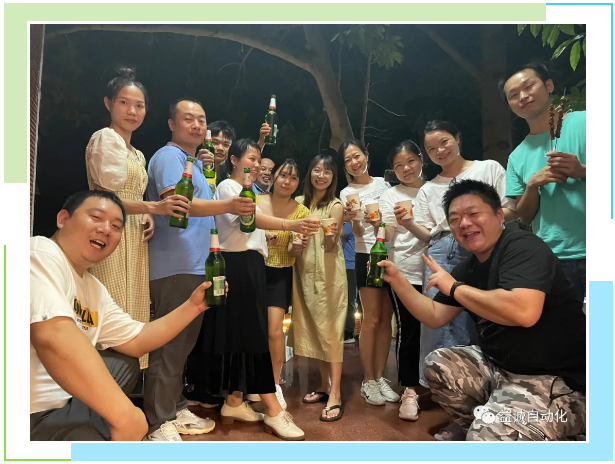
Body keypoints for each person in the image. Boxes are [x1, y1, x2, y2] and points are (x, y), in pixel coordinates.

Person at [379, 179, 586, 441]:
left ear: (499, 215)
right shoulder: (470, 267)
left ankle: (565, 435)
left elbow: (523, 311)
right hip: (501, 368)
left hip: (556, 380)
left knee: (486, 441)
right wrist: (397, 280)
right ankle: (480, 423)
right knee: (438, 365)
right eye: (455, 219)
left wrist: (455, 288)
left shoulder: (523, 247)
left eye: (473, 214)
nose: (464, 223)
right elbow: (434, 315)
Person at [30, 191, 221, 441]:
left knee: (125, 363)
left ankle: (92, 428)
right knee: (117, 423)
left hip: (67, 401)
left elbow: (137, 340)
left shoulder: (93, 288)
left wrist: (194, 306)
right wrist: (125, 416)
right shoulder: (40, 252)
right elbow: (52, 334)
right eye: (96, 217)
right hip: (31, 412)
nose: (105, 229)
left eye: (116, 226)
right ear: (63, 219)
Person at [144, 99, 255, 441]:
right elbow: (179, 204)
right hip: (174, 264)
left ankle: (175, 407)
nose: (196, 125)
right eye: (187, 118)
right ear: (171, 123)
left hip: (196, 264)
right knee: (169, 345)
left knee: (183, 346)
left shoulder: (192, 162)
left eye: (201, 120)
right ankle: (158, 421)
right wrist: (229, 204)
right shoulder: (169, 157)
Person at [198, 139, 319, 440]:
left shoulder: (246, 189)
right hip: (238, 264)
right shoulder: (229, 186)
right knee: (254, 337)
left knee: (243, 335)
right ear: (235, 160)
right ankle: (273, 410)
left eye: (258, 159)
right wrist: (290, 225)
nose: (256, 164)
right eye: (251, 158)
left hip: (249, 264)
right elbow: (248, 219)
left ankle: (234, 401)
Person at [84, 67, 184, 369]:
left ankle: (124, 379)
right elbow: (107, 199)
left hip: (133, 236)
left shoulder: (137, 154)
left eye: (139, 105)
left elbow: (134, 196)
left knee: (132, 306)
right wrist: (154, 208)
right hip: (108, 230)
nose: (132, 111)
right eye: (124, 103)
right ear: (108, 103)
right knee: (109, 302)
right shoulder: (106, 139)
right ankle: (97, 375)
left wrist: (146, 213)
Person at [412, 120, 518, 387]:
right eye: (431, 148)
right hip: (440, 249)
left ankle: (481, 384)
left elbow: (509, 209)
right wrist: (407, 223)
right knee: (437, 322)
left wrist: (477, 226)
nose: (439, 150)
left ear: (458, 138)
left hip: (482, 247)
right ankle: (440, 386)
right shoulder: (427, 188)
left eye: (444, 142)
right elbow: (426, 233)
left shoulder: (488, 168)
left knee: (478, 316)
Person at [499, 62, 586, 305]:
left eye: (529, 86)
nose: (523, 97)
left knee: (605, 324)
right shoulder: (517, 156)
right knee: (569, 327)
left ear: (549, 85)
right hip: (553, 257)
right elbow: (525, 217)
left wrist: (582, 171)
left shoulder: (588, 122)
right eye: (513, 95)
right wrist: (532, 186)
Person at [338, 140, 398, 406]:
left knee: (386, 318)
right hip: (366, 255)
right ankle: (369, 380)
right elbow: (358, 233)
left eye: (357, 156)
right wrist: (355, 219)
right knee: (371, 318)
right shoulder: (347, 192)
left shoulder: (384, 185)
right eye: (348, 159)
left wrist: (380, 222)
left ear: (366, 156)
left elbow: (391, 223)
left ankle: (381, 377)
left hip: (389, 253)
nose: (354, 162)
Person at [291, 155, 348, 421]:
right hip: (304, 274)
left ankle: (335, 394)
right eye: (316, 169)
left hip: (329, 276)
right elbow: (293, 247)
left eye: (327, 171)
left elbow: (330, 245)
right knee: (317, 330)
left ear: (333, 177)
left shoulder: (336, 205)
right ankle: (325, 386)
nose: (321, 175)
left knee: (332, 333)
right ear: (310, 173)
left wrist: (330, 235)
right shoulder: (299, 203)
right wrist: (296, 246)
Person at [377, 140, 429, 421]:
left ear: (421, 159)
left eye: (410, 161)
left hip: (437, 270)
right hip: (405, 271)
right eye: (398, 165)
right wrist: (378, 227)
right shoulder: (391, 195)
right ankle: (409, 389)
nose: (406, 168)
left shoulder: (434, 189)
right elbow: (388, 231)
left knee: (438, 330)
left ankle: (439, 384)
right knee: (409, 330)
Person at [256, 159, 310, 410]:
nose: (287, 181)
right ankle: (249, 384)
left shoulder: (301, 211)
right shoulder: (257, 202)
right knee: (251, 329)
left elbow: (292, 251)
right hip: (253, 269)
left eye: (293, 177)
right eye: (283, 175)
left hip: (280, 273)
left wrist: (297, 247)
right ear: (274, 177)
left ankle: (273, 382)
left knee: (274, 330)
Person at [341, 221, 357, 343]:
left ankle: (348, 333)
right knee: (347, 299)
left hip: (349, 266)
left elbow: (338, 233)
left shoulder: (349, 225)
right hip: (346, 265)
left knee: (349, 300)